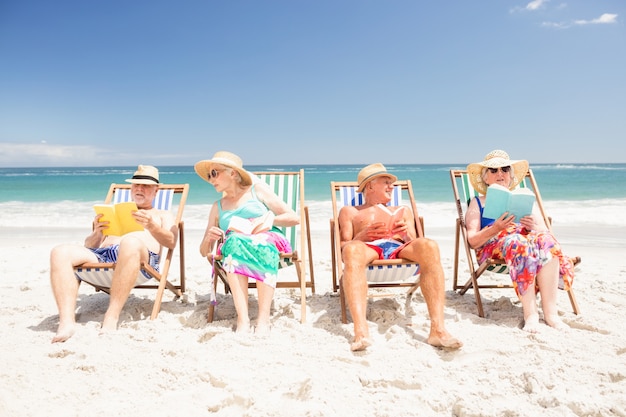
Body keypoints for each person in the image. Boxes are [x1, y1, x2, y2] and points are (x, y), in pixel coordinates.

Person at [338, 163, 462, 352]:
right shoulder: (351, 211)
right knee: (352, 249)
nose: (392, 187)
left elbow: (415, 242)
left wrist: (406, 234)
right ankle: (361, 331)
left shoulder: (403, 210)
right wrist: (360, 237)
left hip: (399, 248)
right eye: (386, 182)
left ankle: (438, 330)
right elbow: (343, 246)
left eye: (392, 183)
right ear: (370, 185)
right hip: (368, 250)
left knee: (429, 245)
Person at [49, 165, 177, 343]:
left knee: (129, 242)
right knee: (60, 252)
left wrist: (151, 226)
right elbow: (90, 246)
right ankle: (66, 322)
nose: (140, 189)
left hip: (140, 261)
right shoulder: (115, 212)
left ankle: (111, 317)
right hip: (103, 256)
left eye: (146, 186)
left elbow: (171, 241)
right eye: (136, 185)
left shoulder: (162, 214)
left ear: (156, 191)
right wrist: (97, 233)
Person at [465, 150, 576, 332]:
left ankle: (551, 314)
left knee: (548, 242)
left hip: (526, 242)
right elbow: (472, 241)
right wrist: (496, 228)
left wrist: (534, 225)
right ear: (485, 178)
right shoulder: (477, 203)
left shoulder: (522, 200)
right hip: (495, 245)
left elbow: (545, 232)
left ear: (510, 175)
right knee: (519, 242)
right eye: (494, 170)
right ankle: (531, 315)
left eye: (505, 169)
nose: (500, 173)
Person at [196, 151, 299, 334]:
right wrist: (208, 239)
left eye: (215, 173)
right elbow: (204, 251)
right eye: (209, 175)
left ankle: (263, 319)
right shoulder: (217, 206)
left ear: (233, 173)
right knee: (234, 241)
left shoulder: (257, 191)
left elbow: (293, 217)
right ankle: (243, 319)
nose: (211, 179)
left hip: (265, 240)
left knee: (262, 244)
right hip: (236, 247)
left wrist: (269, 220)